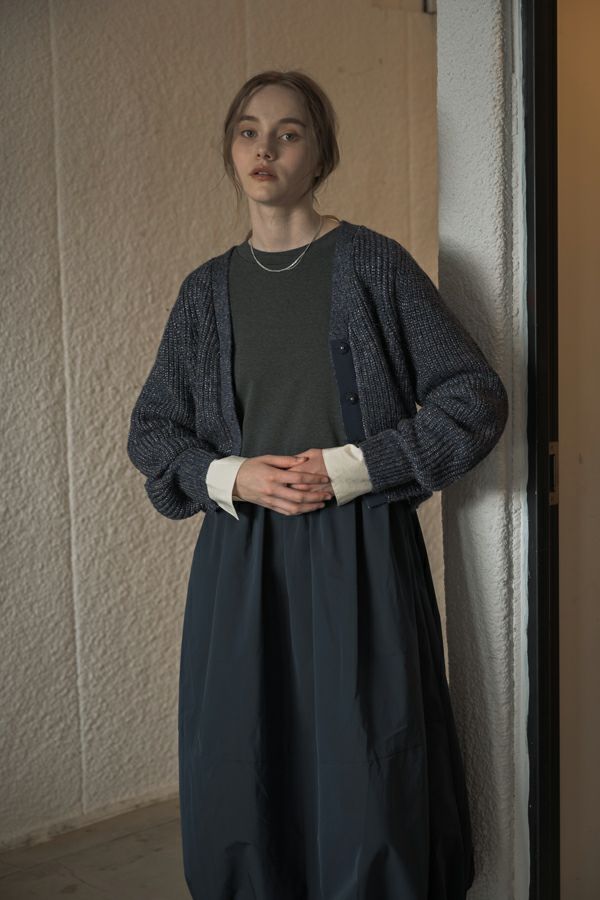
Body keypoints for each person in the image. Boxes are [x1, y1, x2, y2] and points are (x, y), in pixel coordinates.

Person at [127, 69, 508, 900]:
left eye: (289, 132)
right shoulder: (204, 292)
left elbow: (474, 397)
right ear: (230, 150)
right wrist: (231, 474)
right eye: (248, 131)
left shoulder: (371, 263)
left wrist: (352, 468)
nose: (265, 148)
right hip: (242, 563)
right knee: (243, 759)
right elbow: (153, 431)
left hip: (360, 551)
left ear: (321, 154)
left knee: (366, 758)